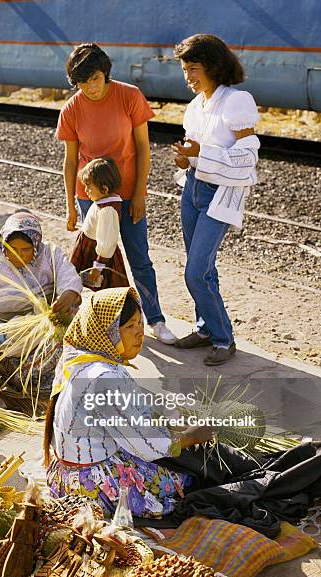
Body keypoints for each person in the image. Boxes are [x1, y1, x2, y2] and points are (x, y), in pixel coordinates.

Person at [44, 287, 212, 518]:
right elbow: (145, 445)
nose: (140, 334)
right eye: (129, 327)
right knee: (185, 481)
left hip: (65, 474)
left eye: (140, 324)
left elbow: (136, 402)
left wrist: (172, 414)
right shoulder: (103, 378)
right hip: (90, 486)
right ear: (107, 332)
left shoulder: (83, 358)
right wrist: (192, 436)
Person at [56, 43, 176, 344]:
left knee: (139, 259)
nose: (90, 87)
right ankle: (107, 323)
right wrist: (71, 205)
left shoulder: (129, 96)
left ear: (105, 73)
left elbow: (144, 148)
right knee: (99, 262)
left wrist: (138, 195)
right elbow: (70, 161)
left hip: (127, 195)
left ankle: (156, 320)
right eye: (81, 82)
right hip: (91, 198)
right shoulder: (71, 108)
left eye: (94, 78)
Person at [171, 34, 260, 365]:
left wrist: (201, 152)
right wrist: (185, 159)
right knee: (203, 268)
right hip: (192, 189)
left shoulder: (236, 102)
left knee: (195, 272)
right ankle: (206, 328)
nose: (188, 77)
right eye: (184, 70)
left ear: (213, 66)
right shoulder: (196, 106)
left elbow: (248, 155)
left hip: (219, 195)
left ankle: (224, 339)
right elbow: (196, 153)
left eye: (193, 68)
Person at [0, 212, 83, 326]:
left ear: (36, 246)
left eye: (26, 249)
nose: (18, 255)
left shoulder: (49, 254)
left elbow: (69, 276)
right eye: (12, 249)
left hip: (44, 316)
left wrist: (68, 294)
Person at [70, 157, 129, 290]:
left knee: (103, 289)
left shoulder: (108, 210)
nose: (86, 191)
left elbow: (107, 241)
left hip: (97, 255)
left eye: (89, 187)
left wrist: (97, 267)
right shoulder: (102, 203)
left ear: (104, 189)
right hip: (89, 248)